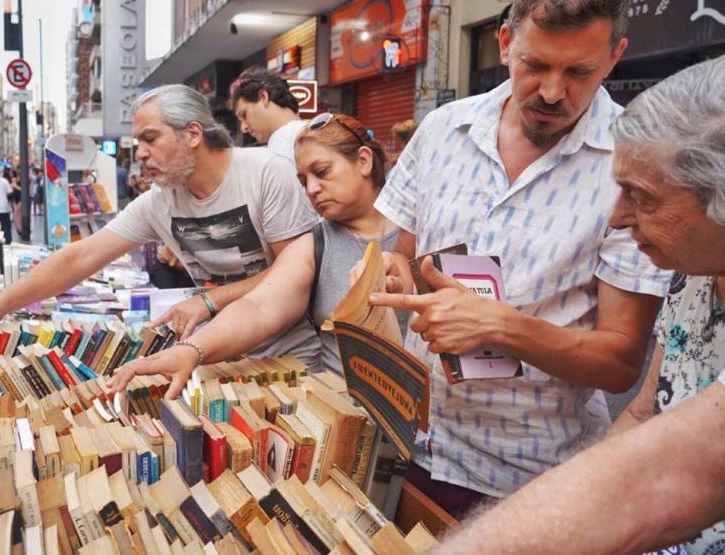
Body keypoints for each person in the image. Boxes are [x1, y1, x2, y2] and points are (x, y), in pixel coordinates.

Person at [358, 0, 671, 518]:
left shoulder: (633, 165)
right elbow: (406, 256)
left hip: (528, 480)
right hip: (416, 441)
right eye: (535, 65)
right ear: (505, 43)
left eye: (579, 72)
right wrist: (392, 271)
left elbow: (620, 364)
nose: (552, 91)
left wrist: (502, 328)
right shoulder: (441, 132)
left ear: (615, 58)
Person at [433, 54, 725, 555]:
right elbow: (643, 413)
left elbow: (671, 476)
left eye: (642, 197)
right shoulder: (693, 275)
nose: (615, 218)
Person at [0, 84, 319, 370]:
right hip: (217, 354)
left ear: (193, 134)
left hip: (288, 360)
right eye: (138, 142)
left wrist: (210, 301)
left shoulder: (267, 173)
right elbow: (80, 256)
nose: (141, 154)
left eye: (151, 139)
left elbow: (293, 274)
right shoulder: (159, 201)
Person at [110, 113, 407, 396]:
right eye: (303, 181)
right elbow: (260, 306)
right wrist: (191, 350)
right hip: (348, 430)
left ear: (364, 161)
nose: (313, 189)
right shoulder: (314, 245)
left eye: (322, 172)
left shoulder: (421, 234)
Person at [230, 67, 306, 163]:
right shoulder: (311, 132)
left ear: (263, 97)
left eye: (244, 114)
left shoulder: (281, 144)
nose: (243, 128)